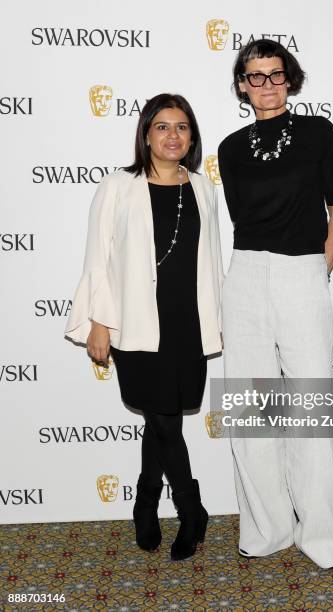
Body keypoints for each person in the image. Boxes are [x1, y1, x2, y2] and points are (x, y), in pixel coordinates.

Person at [65, 93, 223, 561]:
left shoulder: (203, 188)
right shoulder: (119, 185)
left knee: (162, 419)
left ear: (192, 136)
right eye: (162, 127)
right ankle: (192, 510)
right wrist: (98, 322)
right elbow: (98, 257)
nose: (172, 136)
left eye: (182, 127)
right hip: (134, 325)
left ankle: (145, 503)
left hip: (187, 326)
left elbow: (211, 262)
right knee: (162, 419)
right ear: (146, 134)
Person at [218, 40, 333, 568]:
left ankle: (321, 536)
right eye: (255, 76)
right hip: (245, 277)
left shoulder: (319, 132)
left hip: (302, 271)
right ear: (242, 85)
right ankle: (267, 529)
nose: (267, 84)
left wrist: (316, 273)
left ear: (290, 80)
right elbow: (242, 223)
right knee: (251, 413)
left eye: (276, 74)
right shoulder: (229, 148)